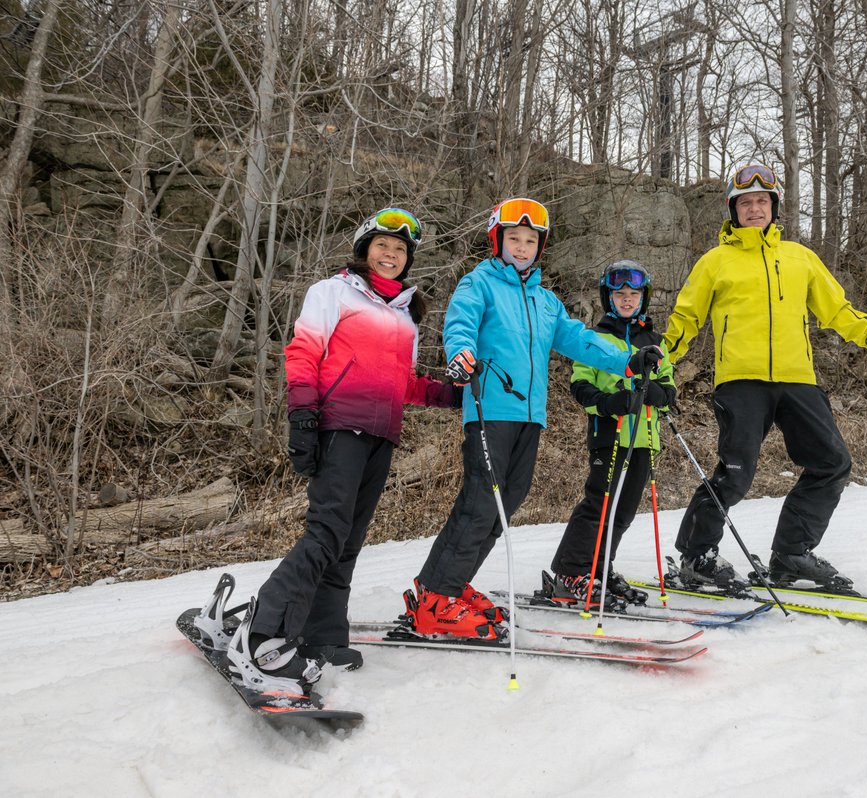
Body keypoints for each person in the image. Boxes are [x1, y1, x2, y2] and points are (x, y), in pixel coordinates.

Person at [212, 208, 458, 694]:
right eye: (383, 245)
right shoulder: (333, 291)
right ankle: (262, 632)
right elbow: (304, 352)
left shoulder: (407, 314)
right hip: (338, 425)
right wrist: (302, 416)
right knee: (325, 532)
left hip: (383, 434)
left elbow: (405, 384)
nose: (391, 255)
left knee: (348, 539)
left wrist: (454, 394)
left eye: (401, 250)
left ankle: (322, 634)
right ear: (365, 249)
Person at [409, 198, 663, 639]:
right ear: (498, 240)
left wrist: (628, 358)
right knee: (480, 503)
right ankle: (435, 599)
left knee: (506, 505)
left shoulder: (545, 302)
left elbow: (580, 340)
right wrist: (461, 353)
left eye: (530, 240)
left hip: (531, 416)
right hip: (490, 409)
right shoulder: (480, 284)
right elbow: (460, 324)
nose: (522, 247)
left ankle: (445, 585)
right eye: (514, 238)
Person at [663, 164, 867, 590]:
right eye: (745, 202)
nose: (754, 208)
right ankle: (697, 556)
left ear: (774, 207)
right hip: (741, 381)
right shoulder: (716, 262)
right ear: (733, 209)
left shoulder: (800, 258)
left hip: (798, 378)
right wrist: (660, 360)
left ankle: (792, 555)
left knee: (831, 463)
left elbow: (837, 310)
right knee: (735, 473)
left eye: (762, 201)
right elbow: (686, 318)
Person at [548, 260, 677, 608]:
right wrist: (609, 402)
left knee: (623, 512)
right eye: (620, 294)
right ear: (609, 298)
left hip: (645, 439)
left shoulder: (655, 342)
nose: (627, 300)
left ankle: (600, 568)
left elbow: (669, 390)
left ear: (643, 299)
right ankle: (571, 571)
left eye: (633, 294)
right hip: (610, 430)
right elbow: (580, 385)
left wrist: (655, 394)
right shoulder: (596, 339)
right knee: (598, 504)